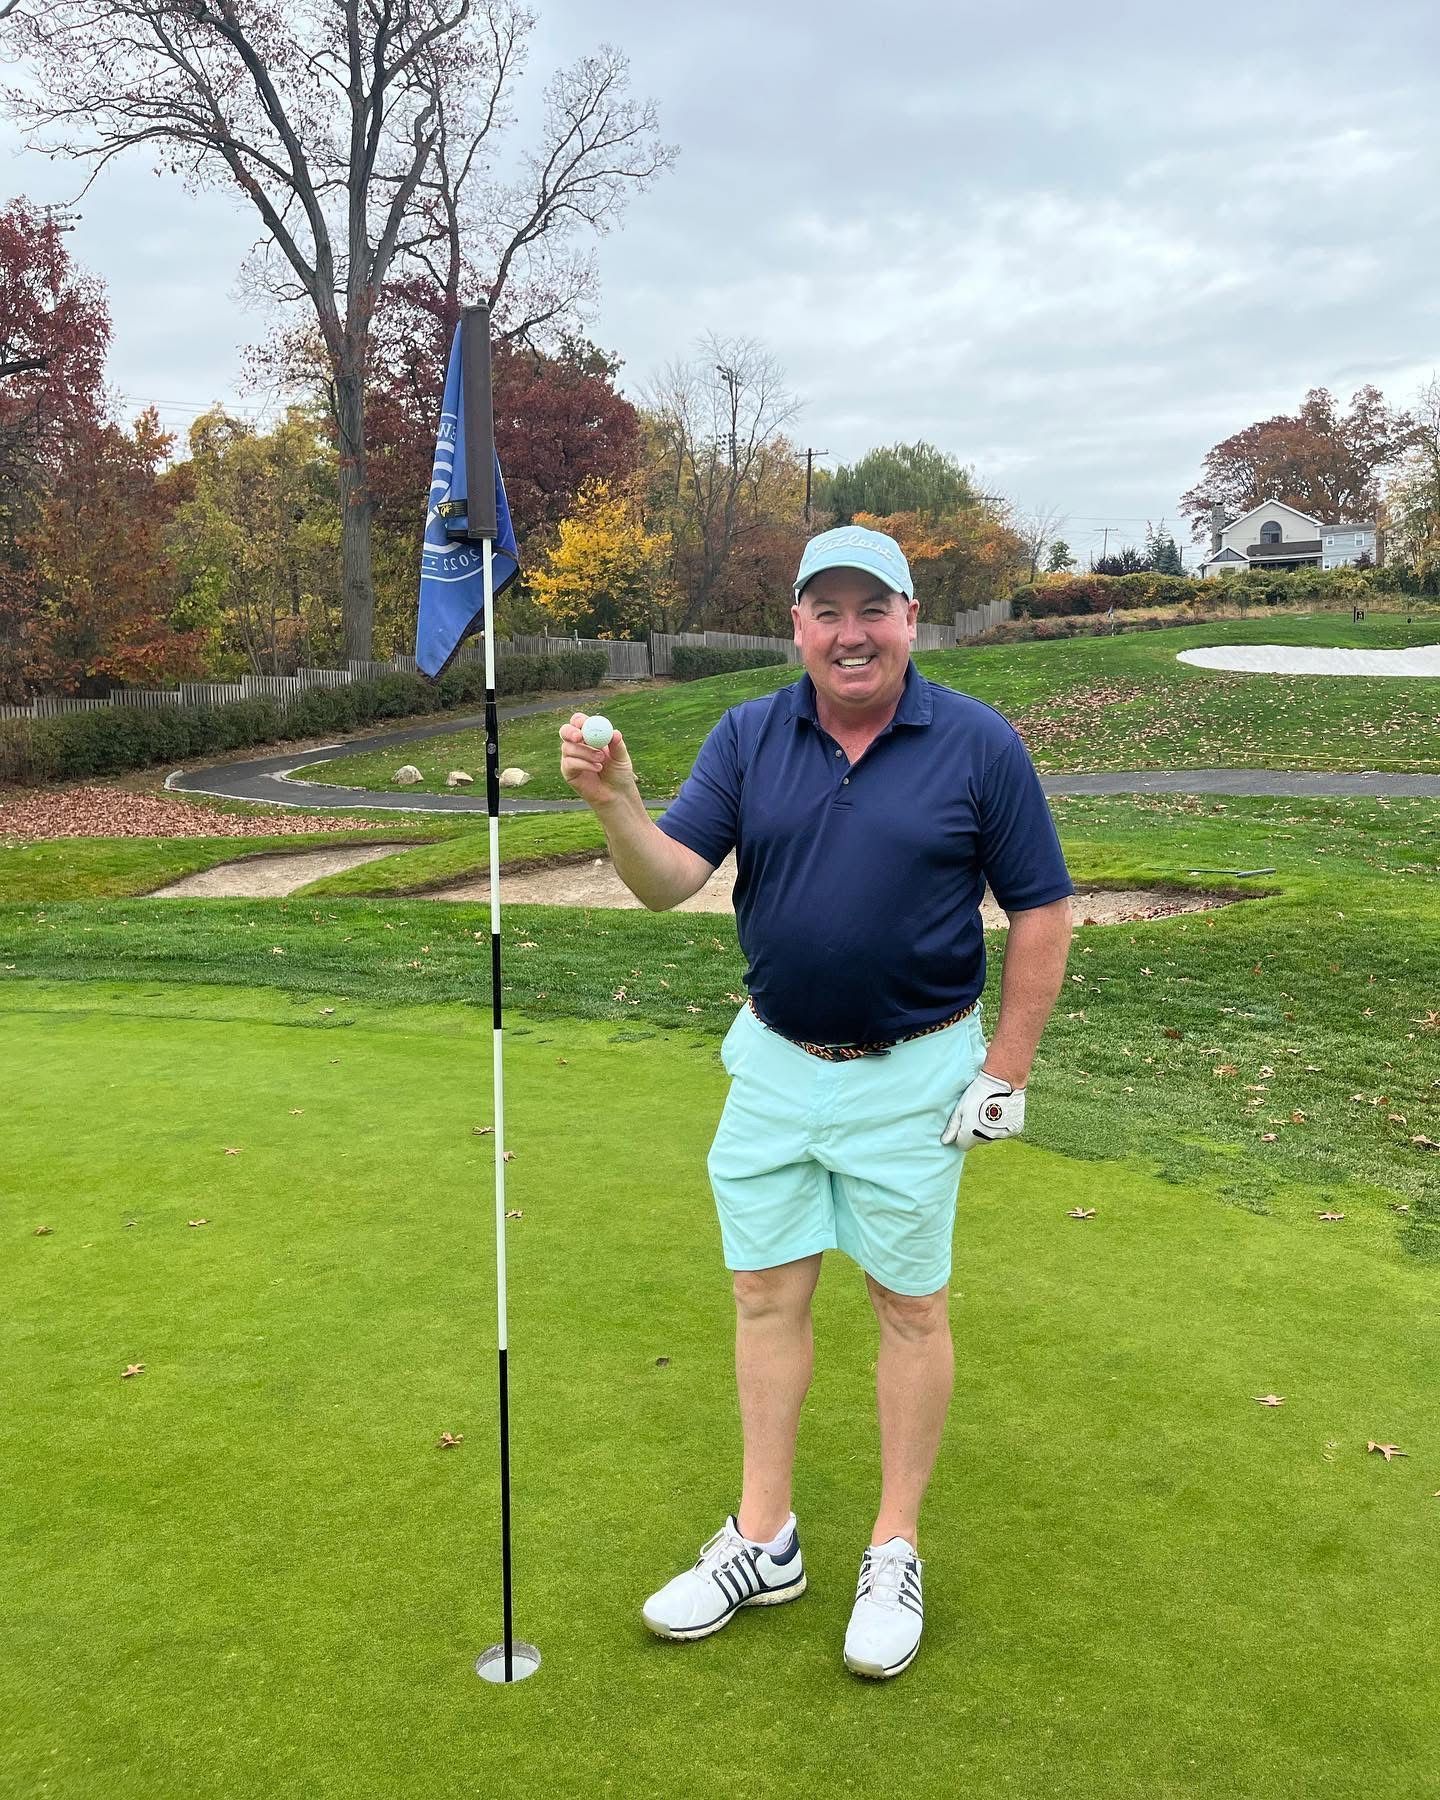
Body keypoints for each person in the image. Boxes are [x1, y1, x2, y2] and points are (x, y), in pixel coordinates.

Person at [558, 524, 1074, 1680]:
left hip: (918, 1073)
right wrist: (616, 801)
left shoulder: (978, 744)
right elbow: (667, 883)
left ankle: (894, 1547)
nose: (851, 634)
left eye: (872, 609)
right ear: (796, 624)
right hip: (776, 1066)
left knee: (909, 1308)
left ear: (909, 617)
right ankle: (763, 1539)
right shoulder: (749, 735)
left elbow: (1040, 911)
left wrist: (1009, 1069)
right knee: (762, 1293)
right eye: (826, 611)